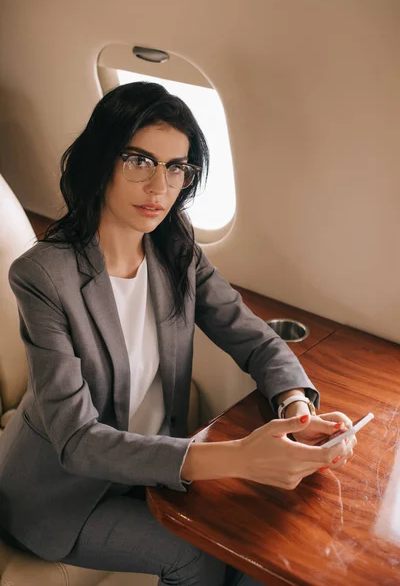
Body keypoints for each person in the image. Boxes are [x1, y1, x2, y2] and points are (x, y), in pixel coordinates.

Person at [0, 82, 354, 585]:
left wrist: (296, 407)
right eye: (140, 161)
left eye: (176, 167)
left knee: (262, 545)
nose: (159, 187)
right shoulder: (44, 276)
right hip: (62, 491)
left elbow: (253, 337)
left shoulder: (175, 246)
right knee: (198, 557)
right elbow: (77, 440)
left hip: (151, 460)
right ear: (102, 160)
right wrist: (240, 458)